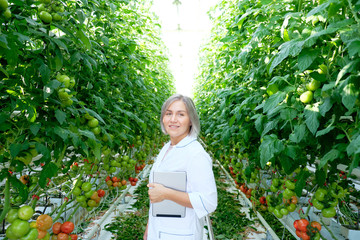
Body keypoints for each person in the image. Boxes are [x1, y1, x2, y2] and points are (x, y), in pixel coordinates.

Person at [144, 93, 217, 240]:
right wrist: (148, 229)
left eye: (181, 114)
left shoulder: (195, 154)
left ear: (191, 120)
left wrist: (167, 194)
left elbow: (208, 202)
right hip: (158, 229)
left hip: (181, 233)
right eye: (168, 113)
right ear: (163, 118)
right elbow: (156, 195)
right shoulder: (167, 148)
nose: (173, 119)